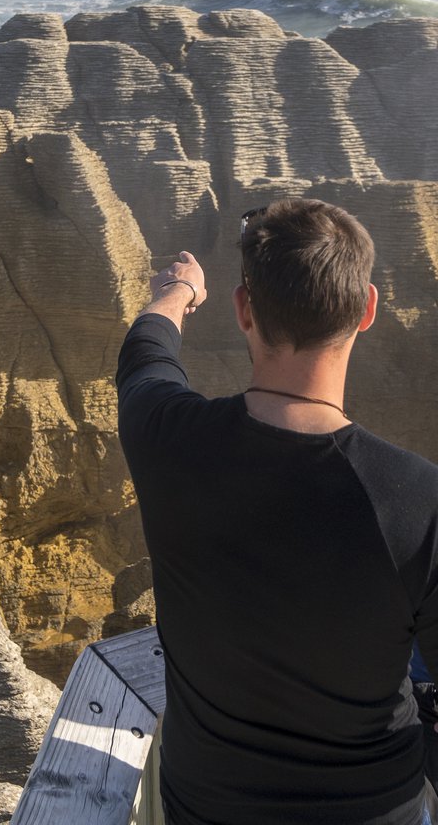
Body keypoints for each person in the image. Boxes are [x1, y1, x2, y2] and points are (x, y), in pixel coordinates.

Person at [116, 198, 438, 825]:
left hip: (206, 809)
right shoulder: (419, 498)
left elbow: (145, 357)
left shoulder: (166, 437)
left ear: (244, 310)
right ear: (368, 308)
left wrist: (178, 292)